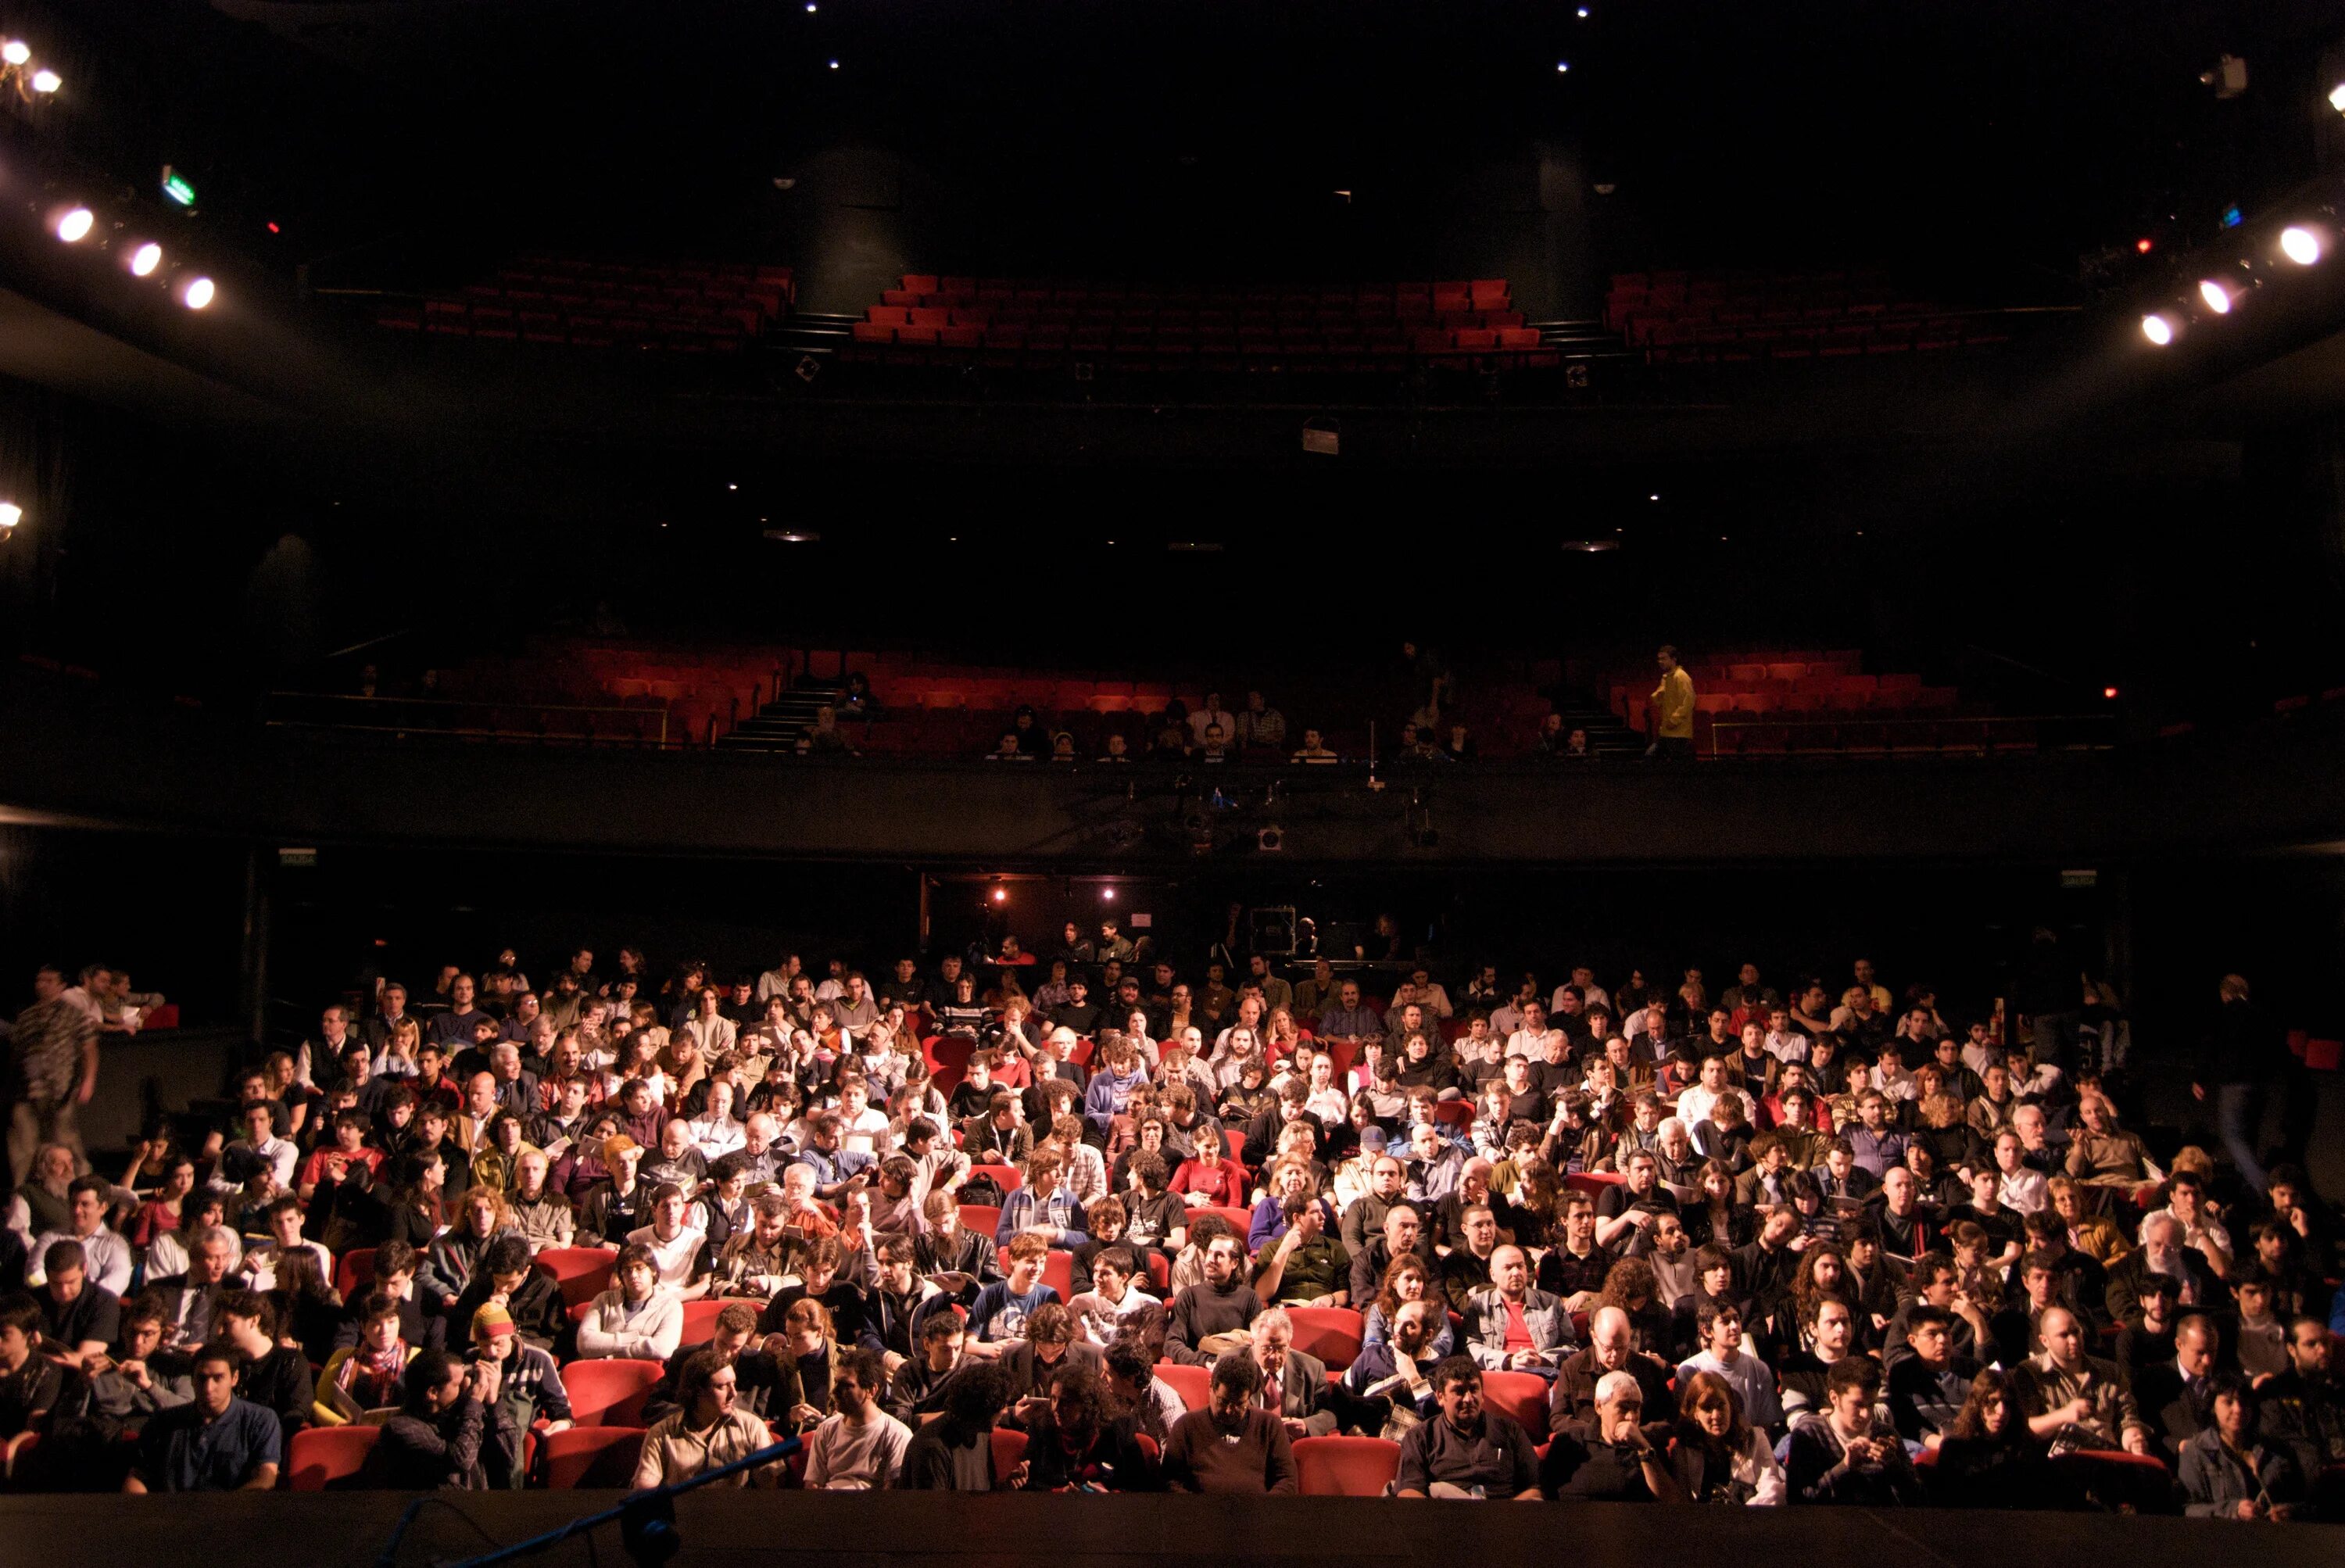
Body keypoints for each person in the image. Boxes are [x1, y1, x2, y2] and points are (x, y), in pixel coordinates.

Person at [122, 1342, 281, 1492]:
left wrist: (226, 1511)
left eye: (218, 1378)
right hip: (169, 1515)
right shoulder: (164, 1421)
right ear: (192, 1379)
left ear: (234, 1378)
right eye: (202, 1378)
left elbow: (266, 1478)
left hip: (232, 1515)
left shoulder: (260, 1420)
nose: (208, 1388)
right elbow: (137, 1476)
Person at [1392, 1356, 1542, 1499]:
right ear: (1440, 1397)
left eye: (1474, 1389)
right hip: (1444, 1518)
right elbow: (1409, 1493)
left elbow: (1535, 1490)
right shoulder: (1420, 1437)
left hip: (1505, 1517)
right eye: (1459, 1391)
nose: (1468, 1399)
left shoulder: (1511, 1431)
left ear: (1482, 1394)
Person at [635, 1348, 787, 1487]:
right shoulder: (662, 1433)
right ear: (696, 1391)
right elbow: (644, 1490)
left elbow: (770, 1488)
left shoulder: (752, 1426)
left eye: (733, 1384)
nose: (733, 1393)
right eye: (722, 1387)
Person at [1783, 1356, 1924, 1505]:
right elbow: (1798, 1500)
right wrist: (1845, 1467)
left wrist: (1894, 1468)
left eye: (1871, 1405)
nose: (1866, 1414)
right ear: (1834, 1398)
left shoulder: (1884, 1434)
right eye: (1858, 1405)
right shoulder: (1809, 1434)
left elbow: (1919, 1500)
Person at [2193, 974, 2286, 1195]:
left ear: (2225, 994)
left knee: (2233, 1135)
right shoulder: (2262, 1015)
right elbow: (2278, 1048)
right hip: (2260, 1085)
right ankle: (2247, 1189)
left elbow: (2210, 1047)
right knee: (2250, 1136)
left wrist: (2200, 1078)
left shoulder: (2224, 1015)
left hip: (2235, 1084)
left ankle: (2264, 1187)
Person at [1162, 1351, 1299, 1494]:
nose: (1229, 1410)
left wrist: (1262, 1511)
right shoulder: (1186, 1426)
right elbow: (1170, 1482)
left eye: (1239, 1404)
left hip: (1259, 1513)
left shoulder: (1270, 1425)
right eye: (1223, 1401)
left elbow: (1287, 1481)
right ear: (1211, 1387)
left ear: (1250, 1396)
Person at [1542, 1369, 1685, 1502]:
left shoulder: (1649, 1446)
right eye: (1623, 1408)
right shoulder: (1570, 1442)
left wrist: (1643, 1448)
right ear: (1599, 1407)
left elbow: (1671, 1503)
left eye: (1636, 1409)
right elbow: (1544, 1493)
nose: (1631, 1417)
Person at [2179, 1374, 2305, 1520]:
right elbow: (2188, 1510)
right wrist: (2233, 1510)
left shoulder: (2275, 1450)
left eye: (2244, 1402)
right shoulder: (2196, 1451)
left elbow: (2302, 1502)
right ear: (2213, 1407)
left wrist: (2289, 1512)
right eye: (2228, 1402)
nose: (2238, 1409)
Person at [361, 1347, 491, 1489]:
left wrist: (493, 1402)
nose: (465, 1386)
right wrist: (474, 1404)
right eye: (457, 1384)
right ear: (433, 1392)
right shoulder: (402, 1429)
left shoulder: (446, 1416)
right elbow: (461, 1459)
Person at [1667, 1369, 1785, 1504]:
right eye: (1708, 1408)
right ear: (1695, 1413)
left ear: (1730, 1406)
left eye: (1721, 1406)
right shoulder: (1683, 1449)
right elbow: (1683, 1501)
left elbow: (1772, 1488)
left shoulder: (1754, 1437)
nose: (1716, 1415)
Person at [804, 1345, 911, 1488]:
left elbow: (892, 1495)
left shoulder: (896, 1435)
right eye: (836, 1383)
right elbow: (813, 1484)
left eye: (846, 1386)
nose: (834, 1392)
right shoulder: (826, 1429)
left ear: (871, 1391)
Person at [901, 1360, 1016, 1490]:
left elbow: (983, 1495)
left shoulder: (981, 1433)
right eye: (1003, 1405)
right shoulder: (932, 1449)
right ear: (984, 1408)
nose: (1006, 1411)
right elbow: (932, 1508)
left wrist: (1006, 1487)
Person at [575, 1241, 683, 1360]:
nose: (633, 1275)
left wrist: (605, 1346)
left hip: (641, 1375)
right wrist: (632, 1339)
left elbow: (663, 1349)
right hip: (600, 1371)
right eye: (628, 1270)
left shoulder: (670, 1305)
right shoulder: (604, 1300)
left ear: (653, 1271)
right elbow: (584, 1342)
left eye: (639, 1268)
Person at [1647, 645, 1695, 761]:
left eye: (1664, 658)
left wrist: (1674, 720)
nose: (1660, 662)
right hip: (1667, 731)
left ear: (1674, 660)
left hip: (1679, 732)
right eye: (1659, 659)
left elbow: (1689, 701)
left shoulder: (1681, 677)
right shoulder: (1666, 677)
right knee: (1651, 756)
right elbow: (1660, 702)